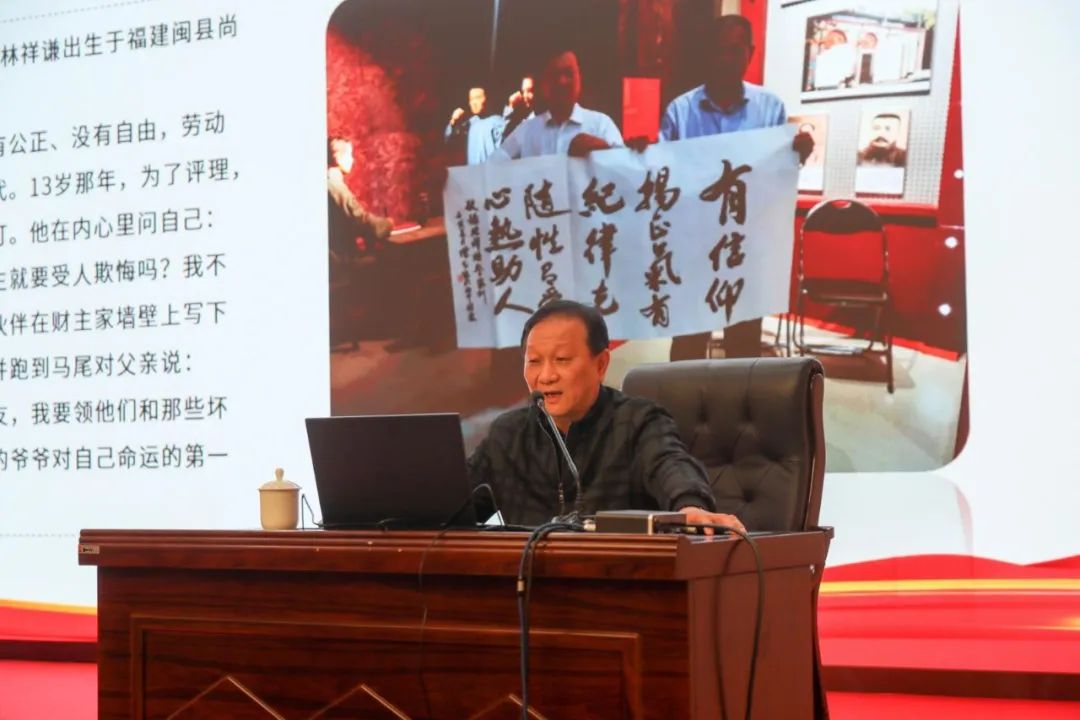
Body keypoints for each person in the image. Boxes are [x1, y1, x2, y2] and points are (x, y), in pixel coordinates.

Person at [468, 300, 746, 532]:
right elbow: (459, 504)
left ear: (600, 364)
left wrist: (690, 506)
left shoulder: (638, 422)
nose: (546, 376)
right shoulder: (508, 434)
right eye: (534, 362)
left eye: (562, 360)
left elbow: (670, 465)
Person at [660, 15, 813, 361]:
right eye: (719, 50)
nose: (726, 59)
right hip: (694, 246)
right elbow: (661, 176)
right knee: (688, 345)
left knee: (743, 346)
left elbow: (777, 174)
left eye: (735, 50)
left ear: (750, 53)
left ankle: (737, 399)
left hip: (747, 245)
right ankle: (685, 398)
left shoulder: (770, 108)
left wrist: (797, 154)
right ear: (708, 54)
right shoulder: (680, 112)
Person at [491, 50, 624, 160]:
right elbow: (491, 168)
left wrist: (603, 150)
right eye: (554, 75)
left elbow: (627, 171)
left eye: (568, 73)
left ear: (579, 78)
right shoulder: (526, 131)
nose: (562, 81)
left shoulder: (601, 126)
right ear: (544, 84)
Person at [326, 136, 392, 260]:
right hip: (343, 260)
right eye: (349, 155)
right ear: (338, 158)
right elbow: (360, 220)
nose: (352, 159)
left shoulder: (331, 182)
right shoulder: (335, 186)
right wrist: (387, 224)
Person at [445, 87, 506, 165]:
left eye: (478, 98)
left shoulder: (498, 122)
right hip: (473, 171)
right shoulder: (468, 124)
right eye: (471, 99)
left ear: (488, 100)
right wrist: (453, 122)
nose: (474, 102)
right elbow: (449, 140)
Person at [502, 75, 536, 139]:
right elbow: (504, 136)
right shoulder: (525, 118)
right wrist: (511, 106)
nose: (525, 95)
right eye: (523, 91)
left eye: (530, 91)